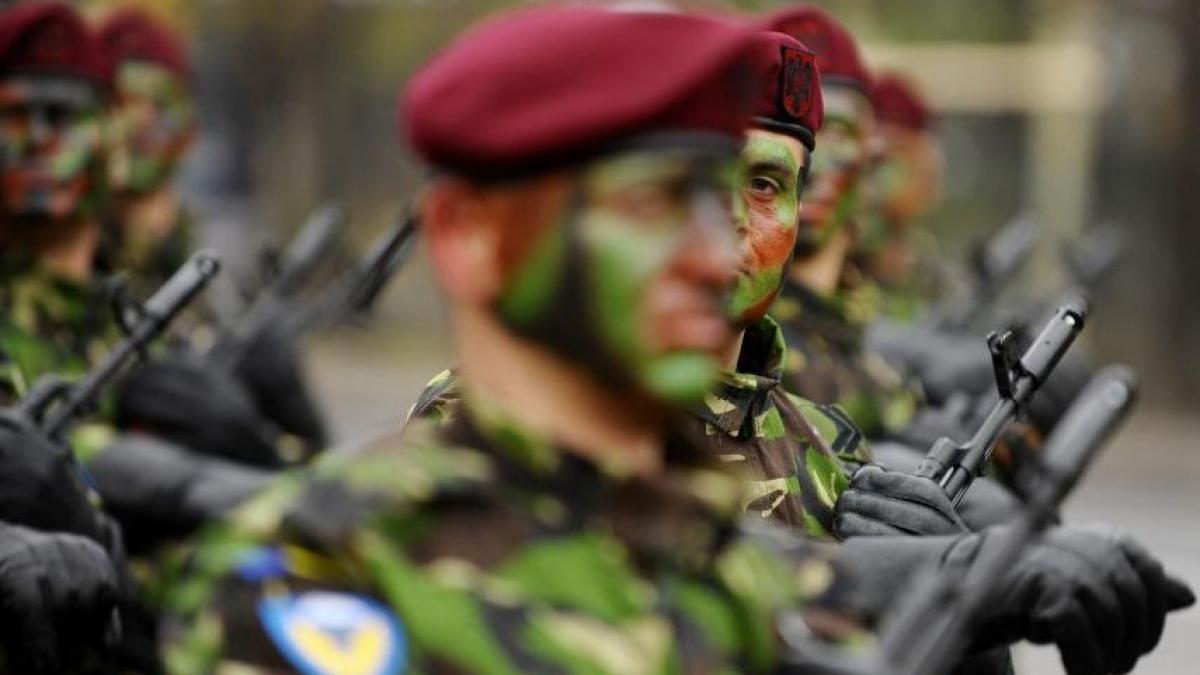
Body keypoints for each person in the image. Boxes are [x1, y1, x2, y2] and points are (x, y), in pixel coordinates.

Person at [163, 7, 1193, 675]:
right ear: (471, 239)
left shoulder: (699, 558)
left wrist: (977, 585)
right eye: (653, 206)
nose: (717, 252)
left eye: (744, 197)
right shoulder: (312, 572)